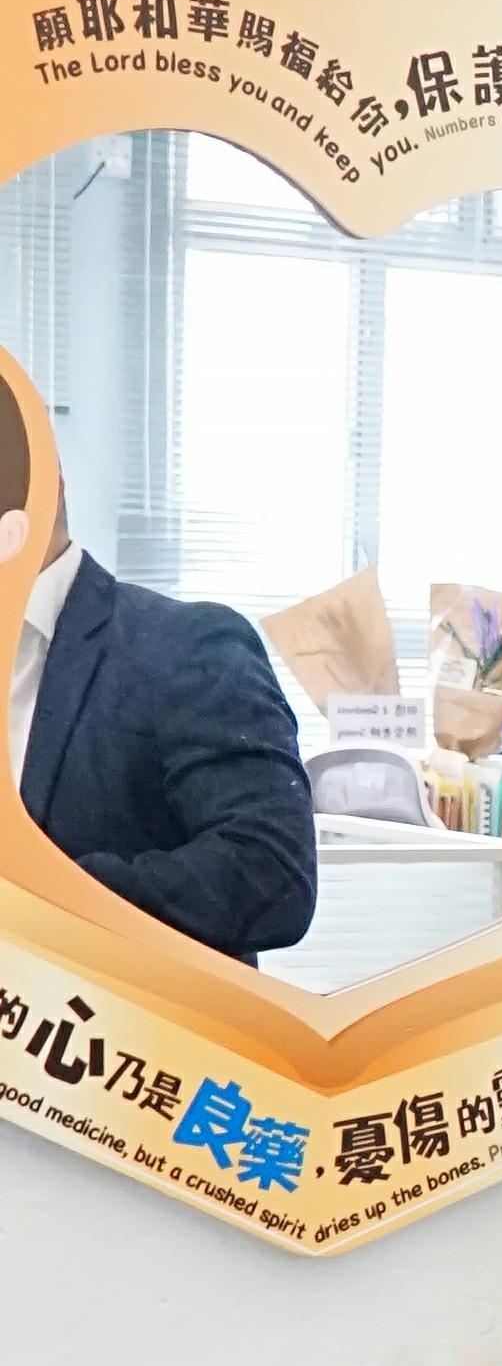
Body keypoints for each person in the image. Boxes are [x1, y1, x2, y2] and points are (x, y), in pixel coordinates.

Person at [1, 406, 314, 965]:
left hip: (116, 1012)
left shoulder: (187, 644)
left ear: (48, 482)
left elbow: (272, 871)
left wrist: (46, 901)